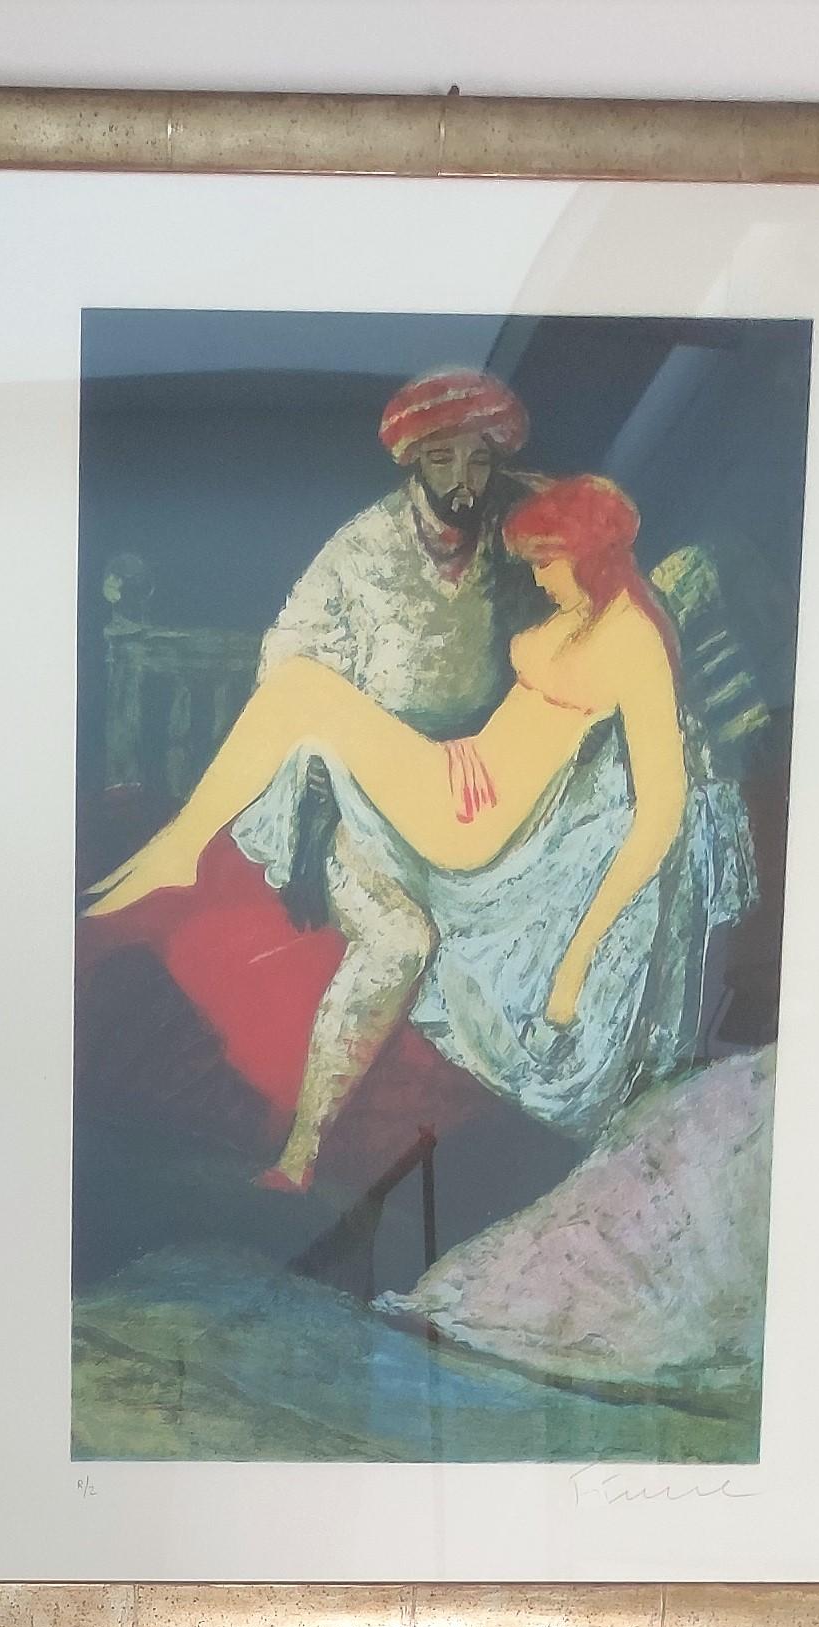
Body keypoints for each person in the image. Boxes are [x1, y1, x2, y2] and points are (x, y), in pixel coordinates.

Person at [89, 476, 754, 1176]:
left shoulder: (636, 640)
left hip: (475, 819)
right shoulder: (586, 610)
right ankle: (181, 847)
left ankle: (179, 848)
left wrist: (575, 960)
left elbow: (661, 812)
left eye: (545, 559)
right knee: (302, 696)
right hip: (459, 771)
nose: (537, 575)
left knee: (302, 690)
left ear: (588, 552)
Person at [230, 369, 537, 1190]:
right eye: (442, 458)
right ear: (411, 463)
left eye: (479, 460)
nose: (462, 481)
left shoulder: (521, 522)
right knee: (400, 940)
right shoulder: (360, 549)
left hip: (487, 787)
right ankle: (302, 1154)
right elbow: (288, 657)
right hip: (362, 792)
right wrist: (332, 755)